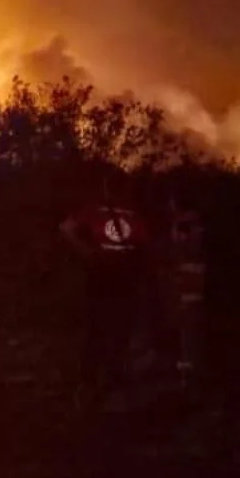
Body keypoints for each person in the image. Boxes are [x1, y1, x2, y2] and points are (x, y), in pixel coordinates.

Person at [60, 165, 158, 407]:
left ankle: (90, 382)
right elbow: (146, 247)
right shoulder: (134, 214)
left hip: (100, 276)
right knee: (120, 328)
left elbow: (65, 228)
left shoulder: (93, 210)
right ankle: (113, 378)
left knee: (97, 329)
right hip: (124, 279)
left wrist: (85, 251)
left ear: (105, 187)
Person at [165, 180, 206, 391]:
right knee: (189, 333)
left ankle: (188, 380)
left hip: (185, 287)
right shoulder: (197, 223)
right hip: (192, 287)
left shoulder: (184, 223)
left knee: (187, 335)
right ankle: (188, 375)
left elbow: (179, 252)